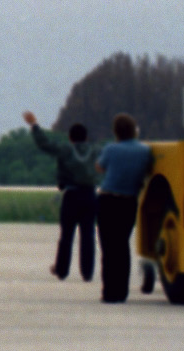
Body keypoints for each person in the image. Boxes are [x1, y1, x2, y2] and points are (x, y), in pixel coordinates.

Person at [24, 110, 98, 282]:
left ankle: (62, 270)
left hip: (71, 195)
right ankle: (87, 272)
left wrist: (35, 125)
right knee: (88, 235)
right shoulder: (95, 151)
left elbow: (45, 145)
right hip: (90, 195)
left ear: (71, 138)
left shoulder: (66, 150)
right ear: (86, 138)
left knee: (66, 235)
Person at [91, 112, 154, 304]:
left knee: (108, 247)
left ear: (116, 131)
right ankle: (122, 291)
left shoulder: (111, 149)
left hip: (108, 199)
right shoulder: (145, 151)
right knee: (122, 245)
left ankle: (110, 291)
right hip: (129, 201)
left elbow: (99, 167)